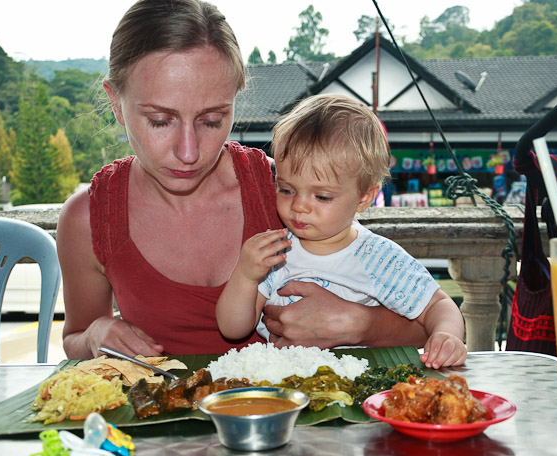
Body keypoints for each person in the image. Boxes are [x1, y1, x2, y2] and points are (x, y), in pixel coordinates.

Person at [56, 0, 429, 360]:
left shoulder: (286, 189)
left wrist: (361, 324)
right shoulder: (89, 218)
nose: (189, 151)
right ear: (117, 104)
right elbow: (75, 337)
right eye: (160, 120)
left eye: (212, 120)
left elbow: (427, 328)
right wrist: (95, 334)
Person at [216, 94, 467, 368]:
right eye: (286, 190)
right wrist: (245, 275)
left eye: (322, 197)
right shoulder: (275, 252)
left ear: (363, 198)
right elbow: (233, 329)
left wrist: (447, 335)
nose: (299, 206)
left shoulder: (378, 257)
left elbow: (437, 305)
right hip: (287, 389)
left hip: (361, 385)